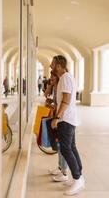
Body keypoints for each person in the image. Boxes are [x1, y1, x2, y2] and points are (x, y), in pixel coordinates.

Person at [51, 56, 84, 195]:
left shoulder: (64, 78)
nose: (50, 66)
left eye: (52, 64)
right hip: (68, 118)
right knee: (71, 147)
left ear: (58, 65)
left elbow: (66, 100)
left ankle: (77, 179)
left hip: (66, 119)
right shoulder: (66, 77)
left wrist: (57, 118)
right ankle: (79, 177)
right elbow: (64, 100)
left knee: (65, 149)